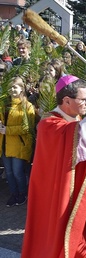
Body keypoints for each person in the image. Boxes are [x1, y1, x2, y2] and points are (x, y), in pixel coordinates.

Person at [22, 71, 86, 257]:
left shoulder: (72, 121)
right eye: (83, 100)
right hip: (58, 199)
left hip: (79, 195)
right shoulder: (49, 124)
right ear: (66, 101)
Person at [0, 77, 35, 207]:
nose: (12, 89)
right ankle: (13, 194)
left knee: (17, 173)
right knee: (8, 173)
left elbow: (27, 128)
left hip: (19, 145)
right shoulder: (4, 104)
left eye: (15, 87)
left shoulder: (27, 106)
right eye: (11, 87)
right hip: (4, 144)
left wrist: (7, 130)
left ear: (21, 88)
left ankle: (22, 194)